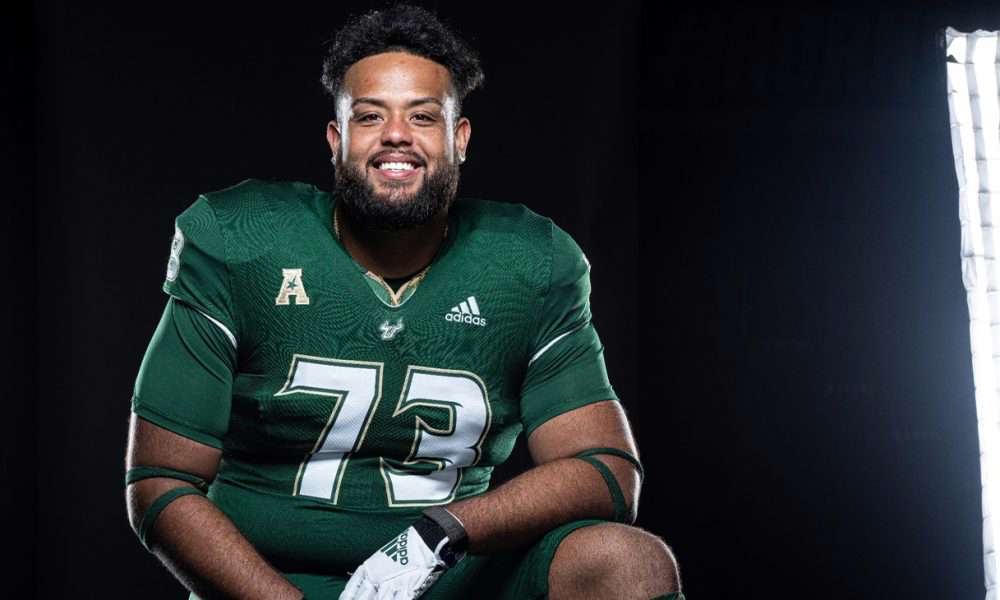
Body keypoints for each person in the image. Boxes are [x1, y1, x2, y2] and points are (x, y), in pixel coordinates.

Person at [124, 5, 682, 599]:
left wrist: (446, 530)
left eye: (422, 116)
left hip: (449, 577)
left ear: (458, 139)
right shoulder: (242, 239)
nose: (396, 134)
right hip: (270, 580)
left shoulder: (529, 262)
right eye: (370, 116)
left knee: (626, 562)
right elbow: (160, 482)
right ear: (336, 140)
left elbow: (606, 472)